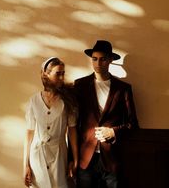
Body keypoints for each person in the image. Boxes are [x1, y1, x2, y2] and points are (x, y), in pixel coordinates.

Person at [74, 40, 139, 188]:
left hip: (112, 159)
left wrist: (113, 132)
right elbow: (73, 124)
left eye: (103, 59)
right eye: (94, 59)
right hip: (86, 159)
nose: (98, 63)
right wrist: (72, 158)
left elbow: (133, 124)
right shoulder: (80, 85)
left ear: (110, 60)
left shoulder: (123, 89)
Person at [24, 57, 78, 188]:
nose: (61, 77)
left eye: (63, 73)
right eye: (57, 74)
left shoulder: (67, 101)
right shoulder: (34, 101)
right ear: (46, 74)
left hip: (59, 155)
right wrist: (25, 165)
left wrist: (75, 159)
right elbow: (29, 134)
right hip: (37, 155)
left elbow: (72, 131)